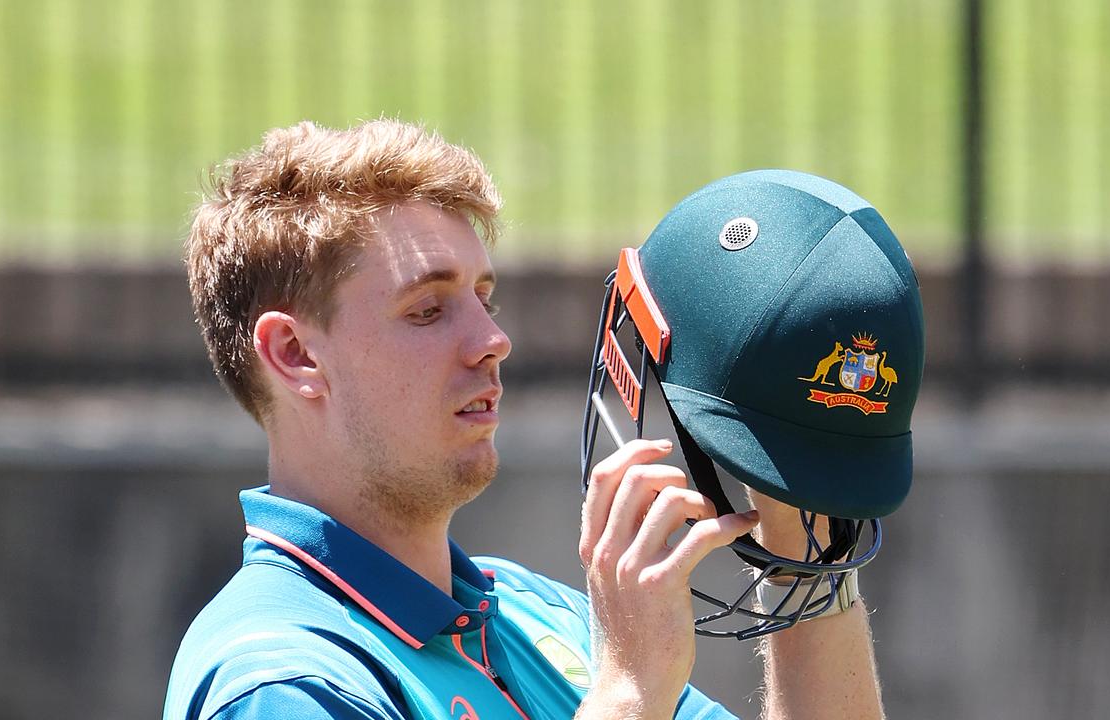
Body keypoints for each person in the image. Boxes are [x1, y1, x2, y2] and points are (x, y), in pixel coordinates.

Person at [163, 118, 886, 720]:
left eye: (485, 297)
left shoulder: (541, 615)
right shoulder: (283, 681)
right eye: (427, 310)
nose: (492, 340)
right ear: (294, 355)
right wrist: (630, 693)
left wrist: (803, 543)